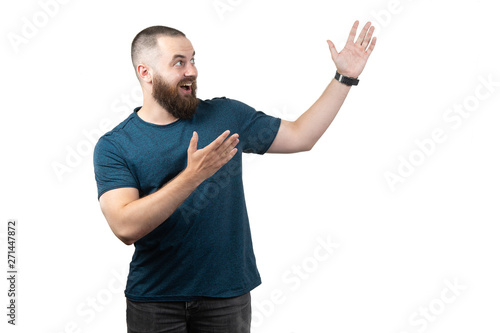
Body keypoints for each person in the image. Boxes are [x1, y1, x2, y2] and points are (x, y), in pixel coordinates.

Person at [93, 21, 376, 333]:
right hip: (155, 301)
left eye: (192, 60)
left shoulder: (225, 116)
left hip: (226, 298)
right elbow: (124, 227)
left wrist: (344, 78)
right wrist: (192, 176)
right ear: (145, 73)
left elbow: (301, 136)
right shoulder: (116, 145)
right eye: (179, 63)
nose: (192, 71)